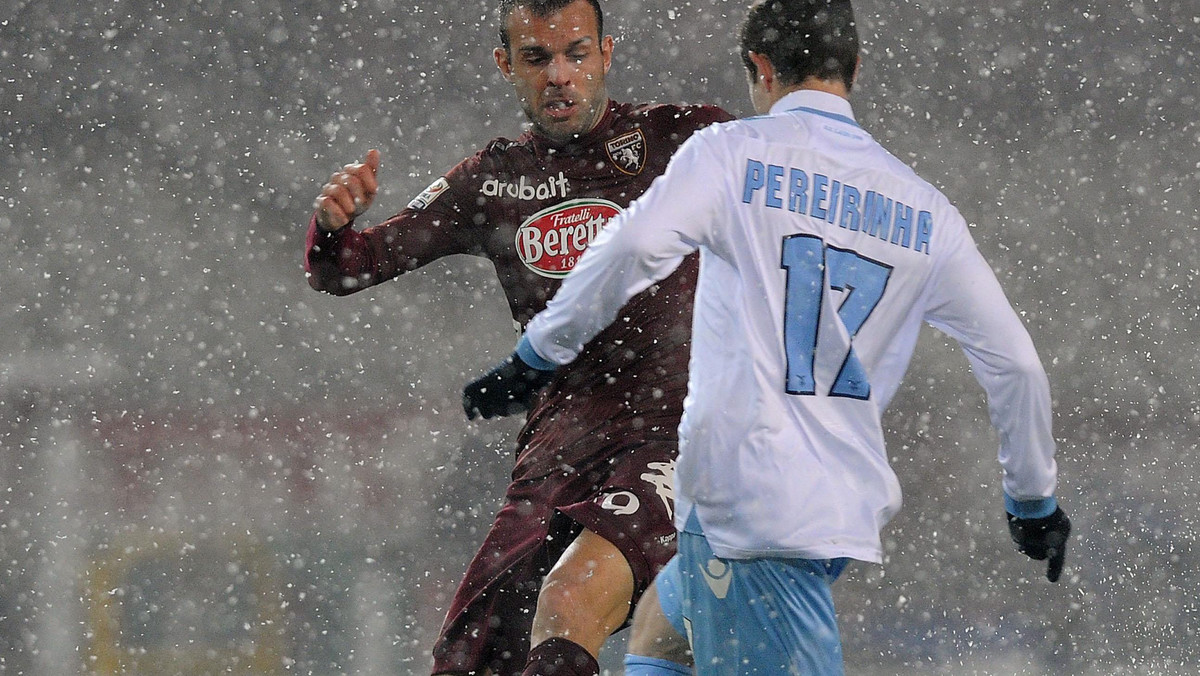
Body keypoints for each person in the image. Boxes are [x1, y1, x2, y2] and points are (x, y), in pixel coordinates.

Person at [462, 0, 1072, 673]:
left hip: (752, 510)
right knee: (660, 633)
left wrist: (538, 352)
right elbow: (1015, 365)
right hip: (818, 503)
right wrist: (1032, 500)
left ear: (759, 67)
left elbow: (632, 246)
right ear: (854, 67)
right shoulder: (928, 211)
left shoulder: (730, 154)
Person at [304, 0, 732, 673]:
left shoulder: (686, 139)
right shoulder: (493, 180)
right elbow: (347, 269)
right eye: (537, 58)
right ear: (507, 66)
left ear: (606, 55)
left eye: (575, 54)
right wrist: (332, 226)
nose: (559, 75)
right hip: (560, 447)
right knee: (469, 656)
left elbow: (793, 181)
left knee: (573, 597)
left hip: (672, 431)